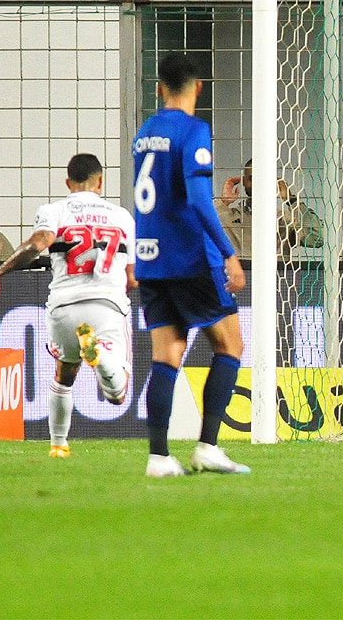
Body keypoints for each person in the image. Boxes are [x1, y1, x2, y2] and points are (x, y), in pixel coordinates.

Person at [132, 52, 249, 478]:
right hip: (190, 258)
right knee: (230, 345)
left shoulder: (145, 133)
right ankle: (207, 448)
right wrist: (229, 254)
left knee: (167, 355)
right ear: (198, 87)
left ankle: (159, 458)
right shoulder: (195, 131)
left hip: (150, 260)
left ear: (159, 88)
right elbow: (199, 199)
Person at [0, 154, 136, 458]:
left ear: (68, 183)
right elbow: (132, 278)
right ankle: (101, 355)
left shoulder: (55, 210)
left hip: (63, 307)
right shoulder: (122, 217)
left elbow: (36, 246)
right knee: (117, 393)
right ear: (100, 181)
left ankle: (58, 445)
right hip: (107, 304)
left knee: (64, 373)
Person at [215, 159, 323, 259]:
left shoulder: (285, 219)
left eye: (263, 178)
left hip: (278, 278)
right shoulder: (228, 217)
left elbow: (317, 239)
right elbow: (201, 230)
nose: (258, 184)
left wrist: (291, 200)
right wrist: (223, 202)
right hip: (238, 277)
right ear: (243, 182)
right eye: (252, 179)